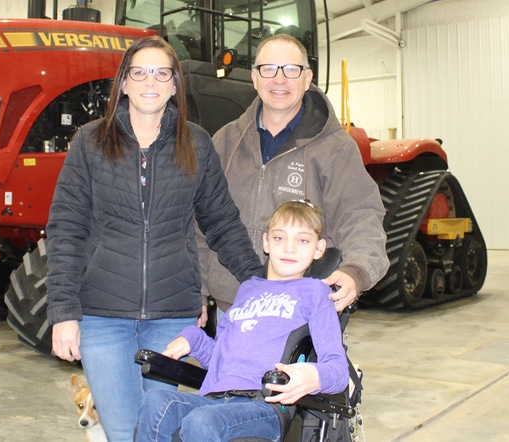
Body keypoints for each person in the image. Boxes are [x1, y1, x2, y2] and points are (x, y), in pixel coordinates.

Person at [45, 36, 263, 442]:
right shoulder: (90, 143)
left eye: (161, 73)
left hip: (170, 319)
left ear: (175, 85)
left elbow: (222, 224)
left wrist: (261, 284)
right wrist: (63, 312)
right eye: (139, 72)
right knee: (125, 430)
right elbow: (66, 230)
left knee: (157, 429)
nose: (150, 81)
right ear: (123, 83)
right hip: (101, 318)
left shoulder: (195, 143)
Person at [199, 34, 389, 318]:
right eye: (268, 69)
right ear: (254, 77)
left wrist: (356, 271)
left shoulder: (334, 148)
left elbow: (360, 214)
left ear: (307, 77)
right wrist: (197, 289)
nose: (279, 79)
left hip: (301, 311)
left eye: (291, 69)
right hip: (231, 307)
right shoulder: (225, 141)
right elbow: (200, 221)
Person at [136, 200, 349, 442]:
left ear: (319, 248)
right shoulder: (248, 289)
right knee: (156, 402)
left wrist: (313, 376)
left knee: (202, 421)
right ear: (266, 242)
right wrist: (193, 338)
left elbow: (338, 371)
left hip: (263, 405)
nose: (289, 248)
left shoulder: (315, 293)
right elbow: (218, 358)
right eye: (280, 238)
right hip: (215, 399)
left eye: (302, 240)